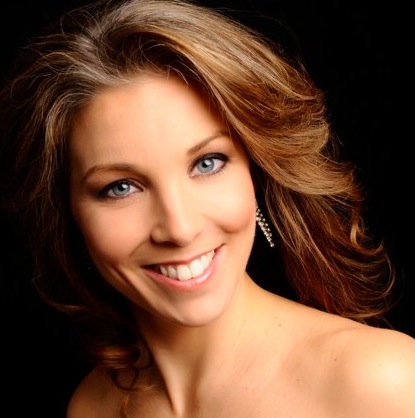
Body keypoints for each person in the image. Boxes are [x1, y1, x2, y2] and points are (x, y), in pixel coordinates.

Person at [0, 0, 414, 417]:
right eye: (120, 187)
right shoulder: (92, 408)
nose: (179, 229)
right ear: (68, 212)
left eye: (207, 163)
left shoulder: (382, 381)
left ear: (256, 172)